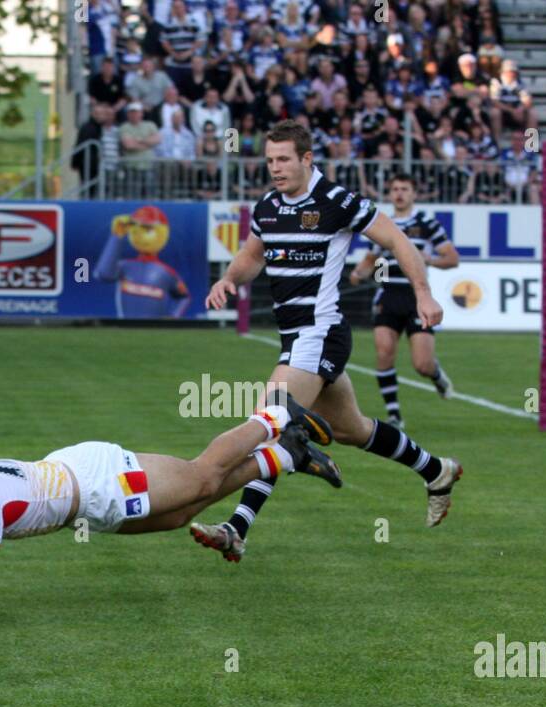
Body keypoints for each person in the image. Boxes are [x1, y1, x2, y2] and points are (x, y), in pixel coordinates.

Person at [191, 121, 463, 563]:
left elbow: (397, 239)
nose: (275, 168)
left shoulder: (337, 201)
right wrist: (229, 279)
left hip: (320, 335)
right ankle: (437, 471)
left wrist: (423, 292)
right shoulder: (268, 206)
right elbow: (251, 255)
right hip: (295, 338)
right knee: (353, 430)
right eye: (270, 160)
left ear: (306, 159)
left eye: (283, 160)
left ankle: (236, 528)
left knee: (271, 420)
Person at [0, 400, 340, 622]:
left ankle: (275, 414)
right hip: (78, 497)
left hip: (99, 480)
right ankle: (286, 453)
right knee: (183, 514)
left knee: (202, 476)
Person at [348, 173, 458, 428]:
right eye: (395, 189)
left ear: (414, 194)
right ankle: (395, 414)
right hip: (388, 295)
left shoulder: (427, 224)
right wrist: (358, 273)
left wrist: (425, 259)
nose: (399, 193)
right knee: (384, 352)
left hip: (416, 297)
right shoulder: (381, 223)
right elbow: (370, 260)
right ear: (390, 194)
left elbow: (452, 258)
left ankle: (436, 374)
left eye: (404, 189)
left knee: (422, 364)